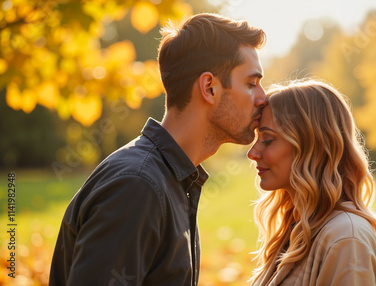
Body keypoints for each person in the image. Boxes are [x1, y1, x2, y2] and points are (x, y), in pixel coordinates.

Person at [49, 13, 267, 286]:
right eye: (251, 83)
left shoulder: (173, 179)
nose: (263, 97)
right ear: (209, 87)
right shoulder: (137, 186)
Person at [247, 79, 376, 285]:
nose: (252, 153)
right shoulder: (298, 229)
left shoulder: (347, 240)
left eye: (267, 139)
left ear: (311, 145)